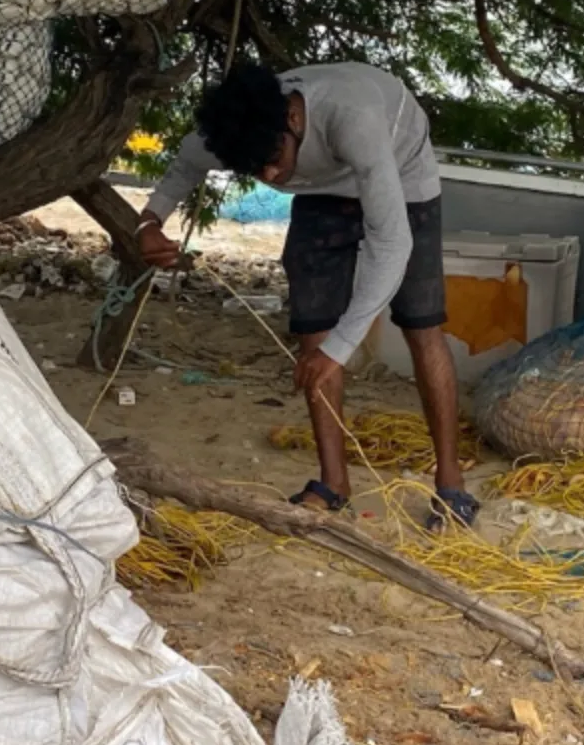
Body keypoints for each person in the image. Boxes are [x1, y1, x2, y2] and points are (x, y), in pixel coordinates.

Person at [136, 62, 478, 528]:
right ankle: (333, 483)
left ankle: (451, 483)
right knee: (312, 334)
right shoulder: (237, 133)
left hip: (401, 173)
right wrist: (148, 221)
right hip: (322, 191)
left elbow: (392, 245)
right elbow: (185, 164)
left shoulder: (351, 117)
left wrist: (342, 348)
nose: (272, 174)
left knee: (421, 325)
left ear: (293, 121)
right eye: (256, 170)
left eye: (274, 156)